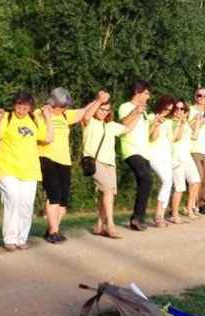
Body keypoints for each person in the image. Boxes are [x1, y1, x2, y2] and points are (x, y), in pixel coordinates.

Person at [0, 91, 53, 251]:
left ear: (30, 108)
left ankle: (21, 238)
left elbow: (48, 138)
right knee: (13, 199)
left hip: (30, 170)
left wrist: (48, 119)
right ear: (14, 105)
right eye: (19, 106)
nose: (22, 110)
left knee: (26, 205)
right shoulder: (7, 117)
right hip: (7, 167)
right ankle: (9, 239)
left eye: (26, 107)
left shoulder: (34, 119)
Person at [37, 87, 100, 243]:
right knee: (54, 196)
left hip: (65, 161)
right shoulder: (40, 114)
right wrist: (48, 117)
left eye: (66, 106)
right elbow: (44, 137)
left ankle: (52, 229)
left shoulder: (65, 115)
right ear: (52, 103)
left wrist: (98, 100)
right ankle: (53, 232)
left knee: (63, 202)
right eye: (62, 106)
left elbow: (84, 111)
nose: (64, 109)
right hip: (47, 158)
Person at [81, 91, 128, 238]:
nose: (103, 112)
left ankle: (99, 225)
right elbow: (87, 115)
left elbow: (127, 129)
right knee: (107, 189)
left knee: (107, 193)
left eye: (106, 110)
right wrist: (98, 100)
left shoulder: (111, 125)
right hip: (93, 161)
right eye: (101, 108)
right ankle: (110, 225)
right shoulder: (88, 122)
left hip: (110, 163)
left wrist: (138, 113)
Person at [118, 81, 153, 231]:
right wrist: (136, 112)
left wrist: (155, 123)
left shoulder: (144, 111)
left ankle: (138, 218)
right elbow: (123, 124)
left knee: (146, 182)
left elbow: (146, 133)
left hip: (144, 151)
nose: (149, 97)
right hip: (130, 150)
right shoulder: (125, 107)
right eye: (146, 93)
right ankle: (137, 218)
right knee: (146, 178)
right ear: (137, 92)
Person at [169, 99, 201, 223]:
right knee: (180, 187)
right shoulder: (171, 123)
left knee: (196, 181)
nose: (179, 111)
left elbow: (194, 136)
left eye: (182, 109)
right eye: (177, 108)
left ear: (186, 111)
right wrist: (181, 123)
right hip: (176, 158)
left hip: (186, 157)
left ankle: (189, 208)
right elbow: (176, 138)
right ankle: (174, 214)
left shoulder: (186, 123)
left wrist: (197, 122)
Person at [148, 96, 175, 227]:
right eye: (165, 108)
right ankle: (158, 216)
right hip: (154, 154)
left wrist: (180, 123)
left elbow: (172, 139)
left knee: (169, 183)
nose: (167, 112)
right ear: (160, 106)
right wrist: (156, 123)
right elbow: (151, 137)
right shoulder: (150, 117)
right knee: (166, 181)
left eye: (170, 110)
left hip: (167, 155)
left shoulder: (169, 122)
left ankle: (161, 216)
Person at [189, 87, 205, 214]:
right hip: (194, 148)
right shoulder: (190, 110)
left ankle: (202, 203)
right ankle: (192, 204)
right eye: (199, 95)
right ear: (195, 97)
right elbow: (188, 128)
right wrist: (196, 120)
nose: (202, 98)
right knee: (198, 177)